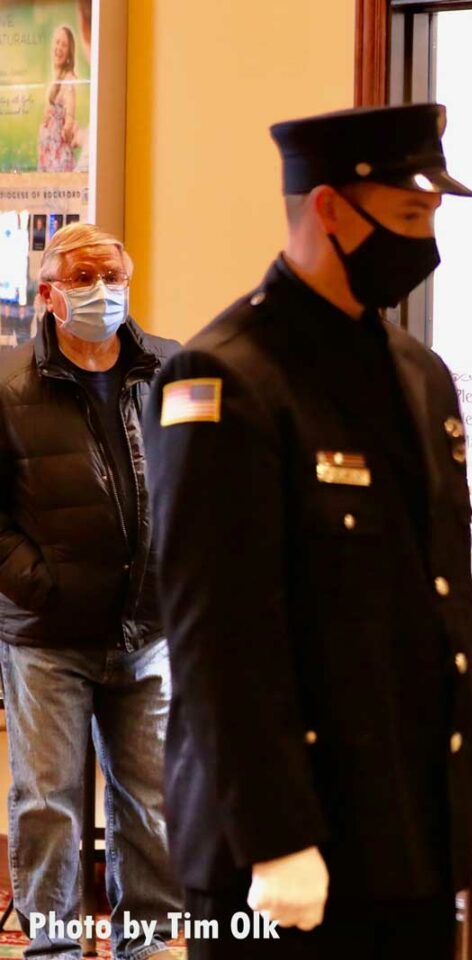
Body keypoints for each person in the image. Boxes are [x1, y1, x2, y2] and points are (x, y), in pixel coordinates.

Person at [143, 103, 472, 959]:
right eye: (409, 217)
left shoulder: (419, 376)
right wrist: (274, 833)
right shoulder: (224, 377)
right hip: (280, 840)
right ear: (330, 208)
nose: (425, 244)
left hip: (408, 822)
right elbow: (217, 635)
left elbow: (447, 595)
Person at [0, 224, 182, 960]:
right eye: (80, 277)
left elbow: (206, 479)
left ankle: (152, 944)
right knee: (49, 808)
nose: (99, 290)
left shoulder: (172, 368)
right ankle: (52, 948)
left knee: (156, 803)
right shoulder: (10, 389)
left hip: (150, 630)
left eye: (110, 273)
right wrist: (33, 582)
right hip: (48, 638)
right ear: (48, 292)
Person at [37, 25, 79, 173]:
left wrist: (68, 127)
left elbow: (70, 114)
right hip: (49, 157)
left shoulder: (68, 79)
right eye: (57, 42)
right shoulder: (56, 78)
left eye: (64, 45)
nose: (59, 48)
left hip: (58, 160)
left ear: (69, 53)